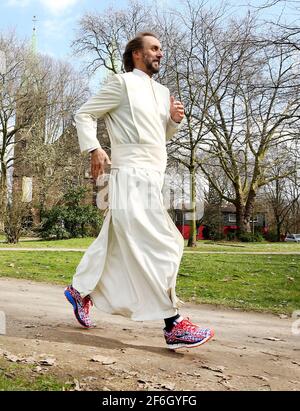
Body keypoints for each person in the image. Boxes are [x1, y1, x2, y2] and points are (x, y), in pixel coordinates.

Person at [64, 32, 214, 350]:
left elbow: (158, 136)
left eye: (161, 48)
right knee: (164, 242)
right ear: (136, 54)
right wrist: (94, 148)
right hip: (128, 175)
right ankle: (173, 323)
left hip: (153, 175)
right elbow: (84, 113)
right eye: (154, 48)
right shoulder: (120, 83)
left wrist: (172, 122)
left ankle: (79, 290)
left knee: (116, 243)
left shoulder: (162, 92)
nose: (161, 53)